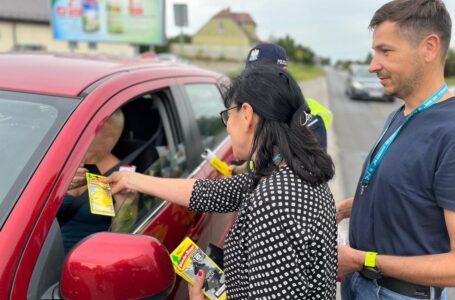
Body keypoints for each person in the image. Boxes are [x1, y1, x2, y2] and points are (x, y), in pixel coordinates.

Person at [105, 65, 338, 299]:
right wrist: (132, 180)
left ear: (246, 114)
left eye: (228, 115)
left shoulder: (274, 200)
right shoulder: (295, 173)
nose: (226, 127)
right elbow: (208, 192)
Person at [337, 0, 455, 299]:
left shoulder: (450, 132)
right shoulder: (401, 113)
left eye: (385, 51)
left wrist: (365, 260)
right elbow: (408, 192)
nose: (373, 64)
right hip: (360, 283)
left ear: (429, 47)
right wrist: (344, 209)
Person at [58, 109, 137, 253]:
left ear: (112, 138)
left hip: (90, 260)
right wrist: (58, 187)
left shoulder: (122, 173)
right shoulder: (55, 161)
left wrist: (125, 202)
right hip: (43, 260)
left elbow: (125, 234)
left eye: (101, 134)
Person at [245, 42, 332, 149]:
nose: (254, 84)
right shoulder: (252, 113)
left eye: (263, 77)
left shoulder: (311, 126)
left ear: (284, 73)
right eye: (250, 77)